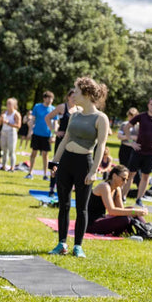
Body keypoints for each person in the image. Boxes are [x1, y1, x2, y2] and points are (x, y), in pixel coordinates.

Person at [49, 77, 110, 258]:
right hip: (66, 161)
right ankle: (61, 243)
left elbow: (101, 146)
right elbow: (65, 139)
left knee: (82, 208)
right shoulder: (74, 114)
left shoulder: (101, 118)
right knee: (64, 205)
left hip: (85, 163)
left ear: (86, 93)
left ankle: (78, 246)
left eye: (76, 90)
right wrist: (55, 161)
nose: (73, 94)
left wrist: (93, 172)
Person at [86, 165, 149, 235]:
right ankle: (143, 231)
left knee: (130, 210)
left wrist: (135, 211)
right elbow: (112, 211)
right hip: (90, 224)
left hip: (102, 219)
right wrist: (134, 212)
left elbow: (121, 210)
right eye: (123, 179)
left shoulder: (117, 189)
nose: (125, 182)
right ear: (114, 176)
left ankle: (147, 230)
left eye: (126, 180)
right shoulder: (104, 187)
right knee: (125, 219)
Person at [46, 89, 78, 195]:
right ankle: (51, 187)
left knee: (71, 164)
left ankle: (67, 187)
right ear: (68, 97)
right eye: (72, 96)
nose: (74, 98)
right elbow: (48, 117)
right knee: (56, 162)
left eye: (76, 96)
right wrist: (54, 132)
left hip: (73, 141)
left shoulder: (79, 109)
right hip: (61, 140)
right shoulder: (62, 107)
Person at [26, 91, 55, 180]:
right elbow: (33, 120)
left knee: (45, 155)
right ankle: (30, 173)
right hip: (36, 133)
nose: (50, 100)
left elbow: (55, 123)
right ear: (44, 98)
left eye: (52, 98)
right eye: (48, 98)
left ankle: (45, 174)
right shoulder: (37, 107)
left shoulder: (53, 109)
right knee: (33, 153)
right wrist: (29, 132)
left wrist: (53, 135)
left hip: (47, 135)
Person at [0, 98, 22, 171]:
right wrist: (1, 120)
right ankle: (3, 165)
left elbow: (18, 125)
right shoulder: (4, 112)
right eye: (7, 103)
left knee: (11, 151)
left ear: (14, 105)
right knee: (4, 150)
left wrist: (9, 123)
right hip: (3, 132)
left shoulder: (16, 114)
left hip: (11, 133)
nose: (8, 105)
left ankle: (12, 167)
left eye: (10, 103)